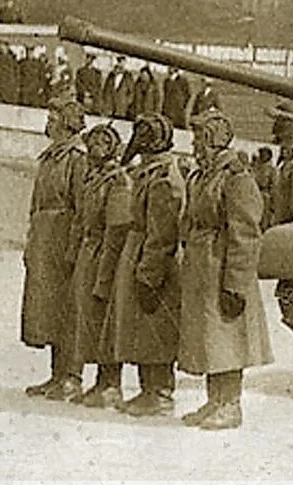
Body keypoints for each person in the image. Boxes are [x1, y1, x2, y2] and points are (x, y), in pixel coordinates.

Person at [178, 110, 273, 430]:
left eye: (198, 138)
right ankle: (214, 400)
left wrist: (236, 284)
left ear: (212, 139)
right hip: (204, 267)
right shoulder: (205, 174)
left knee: (226, 339)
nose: (193, 144)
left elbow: (246, 235)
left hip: (223, 269)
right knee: (209, 338)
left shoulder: (236, 178)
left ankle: (231, 405)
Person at [105, 114, 184, 418]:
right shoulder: (148, 172)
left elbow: (163, 234)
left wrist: (149, 273)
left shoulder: (164, 177)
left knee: (155, 328)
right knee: (141, 327)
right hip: (138, 251)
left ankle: (160, 393)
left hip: (152, 257)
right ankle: (148, 390)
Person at [20, 98, 88, 401]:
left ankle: (72, 376)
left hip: (64, 242)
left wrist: (73, 249)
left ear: (67, 123)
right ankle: (56, 375)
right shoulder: (49, 157)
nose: (48, 122)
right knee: (47, 308)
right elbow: (37, 205)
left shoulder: (77, 158)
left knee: (69, 309)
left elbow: (81, 208)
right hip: (44, 242)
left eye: (53, 117)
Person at [69, 124, 128, 409]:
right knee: (90, 320)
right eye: (93, 144)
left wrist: (105, 273)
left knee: (104, 320)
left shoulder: (118, 181)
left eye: (102, 144)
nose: (95, 149)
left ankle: (111, 383)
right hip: (89, 252)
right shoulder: (94, 178)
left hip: (104, 255)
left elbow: (116, 231)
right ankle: (99, 382)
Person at [251, 146, 277, 230]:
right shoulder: (255, 166)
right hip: (254, 194)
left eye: (264, 154)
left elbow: (274, 184)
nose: (262, 156)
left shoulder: (272, 169)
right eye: (261, 154)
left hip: (264, 195)